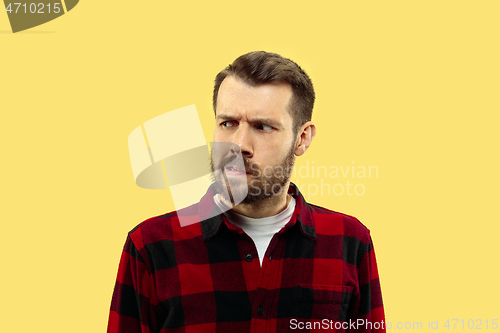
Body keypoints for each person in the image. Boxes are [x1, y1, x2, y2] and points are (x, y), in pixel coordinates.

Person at [108, 51, 385, 332]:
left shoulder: (350, 242)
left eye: (263, 126)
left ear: (302, 138)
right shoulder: (150, 246)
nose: (239, 144)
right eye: (228, 123)